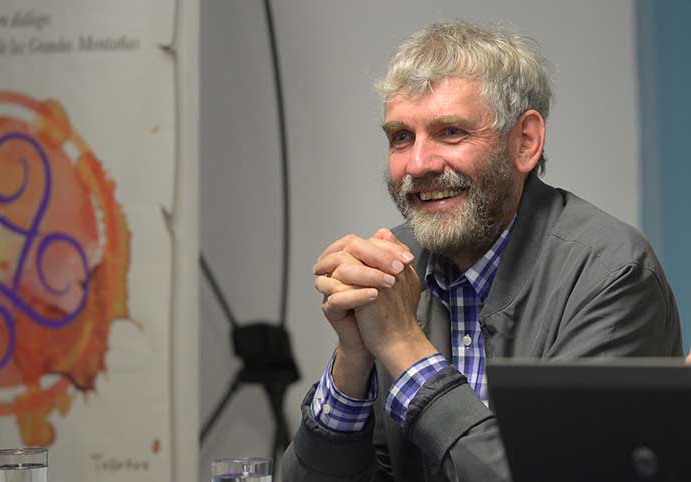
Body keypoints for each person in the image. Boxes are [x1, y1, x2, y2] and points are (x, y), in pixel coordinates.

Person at [281, 20, 682, 482]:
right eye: (401, 137)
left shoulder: (610, 273)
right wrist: (352, 360)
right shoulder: (395, 268)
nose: (418, 164)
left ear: (525, 142)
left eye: (450, 132)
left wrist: (403, 349)